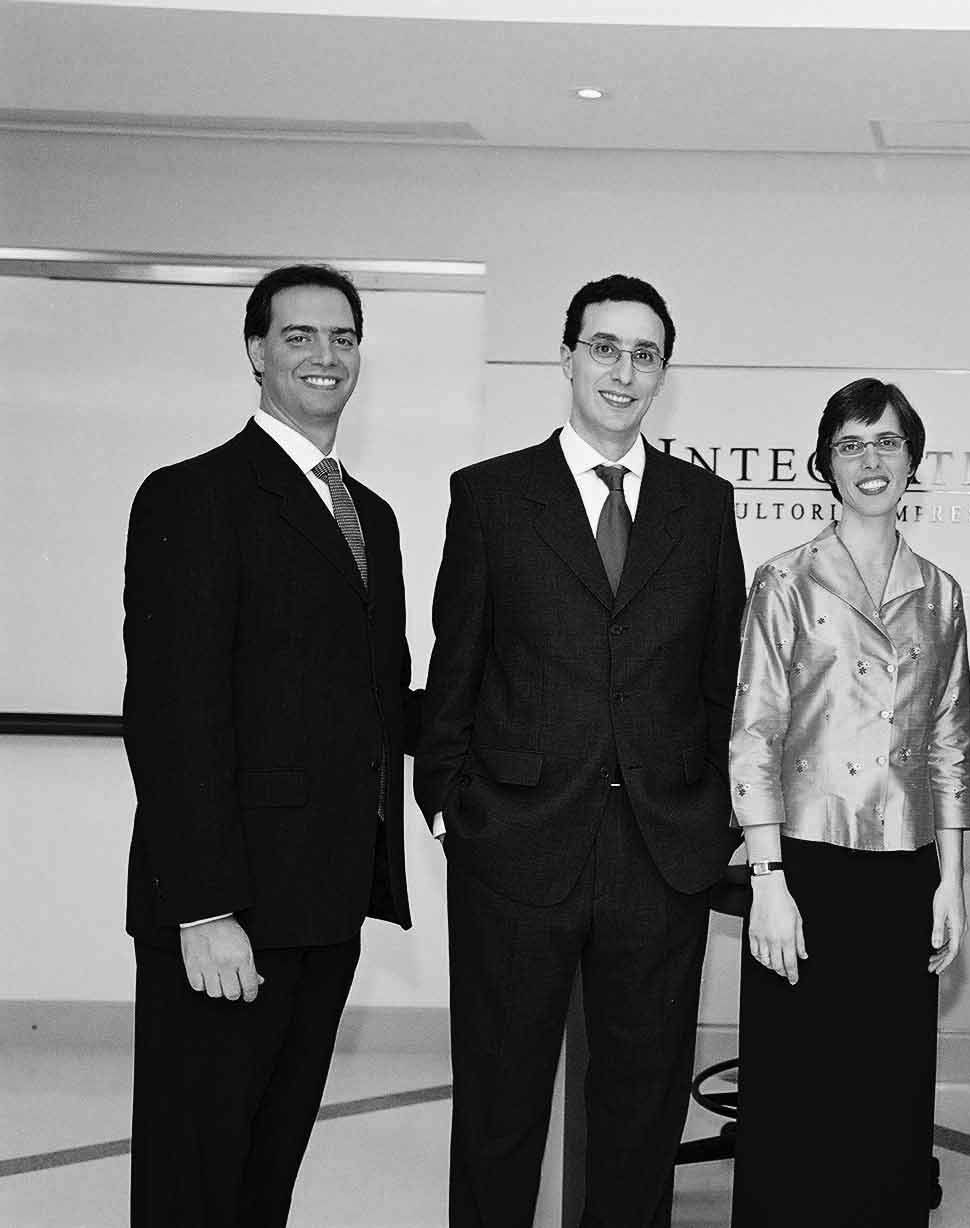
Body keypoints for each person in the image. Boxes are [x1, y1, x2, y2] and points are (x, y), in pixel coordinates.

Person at [415, 274, 745, 1226]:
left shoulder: (702, 504)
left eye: (645, 355)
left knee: (641, 1111)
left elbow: (719, 676)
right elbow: (454, 668)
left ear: (664, 374)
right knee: (499, 1105)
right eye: (605, 348)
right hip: (514, 847)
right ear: (566, 357)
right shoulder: (490, 496)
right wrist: (450, 807)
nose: (623, 371)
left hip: (660, 853)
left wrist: (712, 812)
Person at [122, 263, 414, 1226]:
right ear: (256, 351)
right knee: (194, 1176)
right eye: (299, 336)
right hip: (230, 908)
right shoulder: (193, 496)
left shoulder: (371, 516)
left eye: (343, 338)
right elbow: (170, 716)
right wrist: (202, 908)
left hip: (327, 903)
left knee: (265, 1170)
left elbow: (379, 699)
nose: (325, 356)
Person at [727, 378, 970, 1227]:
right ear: (825, 464)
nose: (871, 460)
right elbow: (753, 734)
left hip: (905, 871)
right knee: (797, 1091)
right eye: (851, 444)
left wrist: (951, 881)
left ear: (912, 459)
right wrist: (767, 881)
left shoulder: (940, 592)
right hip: (803, 866)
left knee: (888, 1090)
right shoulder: (785, 580)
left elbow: (950, 740)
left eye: (887, 442)